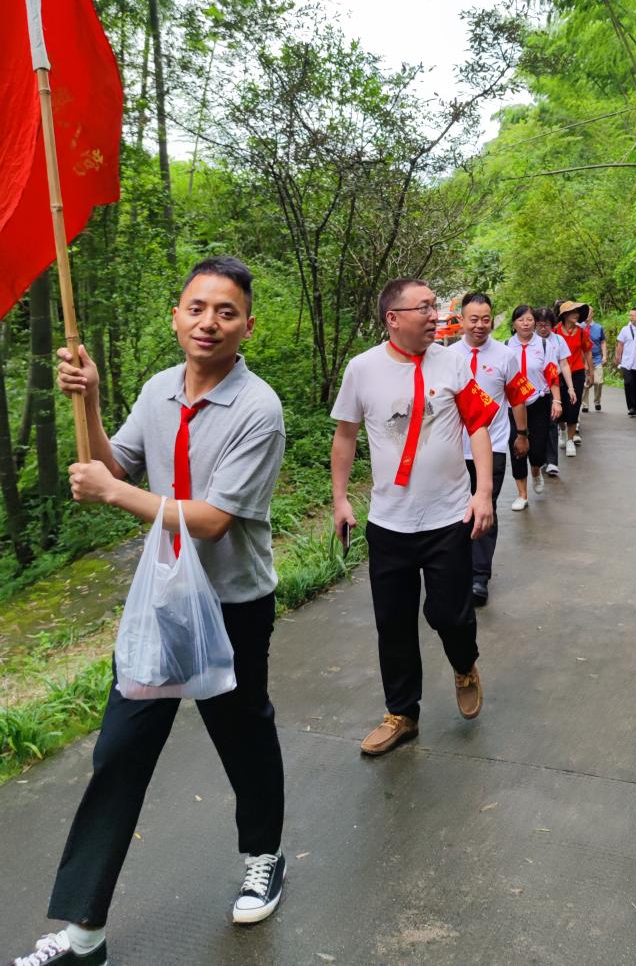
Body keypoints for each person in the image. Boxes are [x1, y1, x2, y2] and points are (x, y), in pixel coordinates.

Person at [10, 258, 288, 966]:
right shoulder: (159, 389)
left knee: (244, 736)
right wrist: (91, 401)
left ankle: (263, 855)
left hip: (232, 605)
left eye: (226, 311)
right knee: (119, 751)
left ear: (248, 326)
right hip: (162, 604)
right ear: (175, 316)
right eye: (197, 307)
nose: (209, 322)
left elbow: (212, 520)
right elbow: (117, 465)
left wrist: (112, 493)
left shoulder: (259, 408)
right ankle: (84, 934)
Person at [331, 279, 497, 757]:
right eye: (423, 307)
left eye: (434, 306)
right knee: (394, 623)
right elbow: (345, 436)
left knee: (450, 614)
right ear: (393, 318)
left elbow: (478, 426)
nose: (433, 315)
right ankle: (402, 713)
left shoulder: (454, 362)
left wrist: (483, 492)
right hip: (390, 523)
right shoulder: (362, 369)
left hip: (448, 518)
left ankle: (464, 665)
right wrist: (340, 500)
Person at [454, 292, 533, 606]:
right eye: (473, 319)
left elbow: (517, 398)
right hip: (453, 449)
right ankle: (457, 568)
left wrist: (522, 434)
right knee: (456, 510)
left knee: (485, 508)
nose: (479, 325)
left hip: (494, 446)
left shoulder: (505, 355)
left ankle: (479, 575)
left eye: (485, 319)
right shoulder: (445, 356)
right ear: (461, 320)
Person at [505, 305, 563, 508]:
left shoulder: (545, 345)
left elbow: (552, 374)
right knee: (517, 448)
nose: (525, 323)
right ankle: (522, 495)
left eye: (529, 319)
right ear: (514, 323)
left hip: (538, 401)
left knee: (537, 450)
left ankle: (536, 471)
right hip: (513, 405)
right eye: (521, 320)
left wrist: (557, 400)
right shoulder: (506, 347)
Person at [534, 307, 572, 478]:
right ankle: (540, 458)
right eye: (540, 325)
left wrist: (570, 387)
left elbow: (564, 364)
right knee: (537, 426)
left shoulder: (558, 340)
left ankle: (552, 462)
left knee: (552, 422)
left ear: (553, 325)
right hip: (533, 388)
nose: (543, 328)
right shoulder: (529, 340)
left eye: (547, 325)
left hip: (553, 385)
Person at [554, 301, 592, 457]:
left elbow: (587, 351)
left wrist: (590, 372)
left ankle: (570, 440)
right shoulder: (555, 331)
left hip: (577, 373)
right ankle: (562, 431)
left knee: (574, 407)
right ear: (564, 315)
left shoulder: (582, 333)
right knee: (560, 405)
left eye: (577, 312)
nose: (576, 315)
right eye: (572, 312)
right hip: (558, 373)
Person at [614, 307, 636, 416]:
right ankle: (631, 407)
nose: (630, 317)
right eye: (630, 315)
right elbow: (620, 344)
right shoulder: (625, 329)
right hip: (627, 361)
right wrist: (618, 357)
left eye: (632, 315)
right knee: (628, 383)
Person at [580, 307, 607, 413]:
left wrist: (604, 356)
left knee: (598, 382)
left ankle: (597, 401)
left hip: (597, 358)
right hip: (583, 360)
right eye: (585, 312)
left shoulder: (598, 327)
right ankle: (585, 404)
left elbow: (603, 342)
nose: (587, 314)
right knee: (585, 383)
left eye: (589, 312)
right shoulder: (579, 327)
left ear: (593, 314)